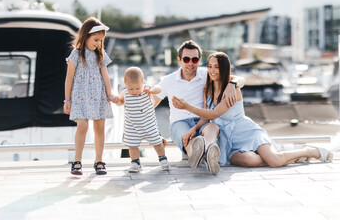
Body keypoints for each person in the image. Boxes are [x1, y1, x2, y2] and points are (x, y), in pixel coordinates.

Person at [173, 51, 333, 172]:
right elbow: (206, 117)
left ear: (225, 68)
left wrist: (187, 106)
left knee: (275, 161)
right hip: (229, 141)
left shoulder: (232, 90)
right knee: (249, 161)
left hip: (246, 132)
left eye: (217, 67)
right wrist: (193, 130)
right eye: (210, 66)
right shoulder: (208, 89)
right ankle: (289, 156)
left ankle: (309, 151)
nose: (213, 70)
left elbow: (214, 114)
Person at [153, 40, 245, 173]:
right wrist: (156, 134)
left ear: (199, 60)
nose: (190, 63)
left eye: (194, 60)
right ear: (179, 60)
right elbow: (150, 107)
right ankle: (199, 156)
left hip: (203, 120)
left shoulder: (206, 74)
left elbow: (241, 79)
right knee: (190, 141)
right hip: (180, 123)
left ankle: (209, 152)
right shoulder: (168, 80)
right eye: (186, 59)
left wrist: (233, 84)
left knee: (213, 127)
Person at [63, 17, 118, 176]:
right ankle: (77, 160)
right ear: (85, 36)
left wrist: (109, 94)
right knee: (83, 126)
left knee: (99, 128)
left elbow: (106, 76)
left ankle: (99, 160)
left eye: (101, 41)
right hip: (80, 96)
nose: (98, 44)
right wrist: (67, 100)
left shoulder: (100, 54)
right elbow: (69, 78)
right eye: (95, 40)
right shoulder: (76, 54)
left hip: (99, 95)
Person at [113, 67, 170, 173]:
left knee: (157, 142)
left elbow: (159, 89)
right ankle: (135, 162)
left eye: (137, 88)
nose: (134, 91)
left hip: (149, 124)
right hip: (132, 126)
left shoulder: (147, 89)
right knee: (132, 145)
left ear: (142, 82)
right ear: (125, 84)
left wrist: (153, 90)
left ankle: (163, 158)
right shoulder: (125, 93)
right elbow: (120, 102)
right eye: (131, 89)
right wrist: (116, 100)